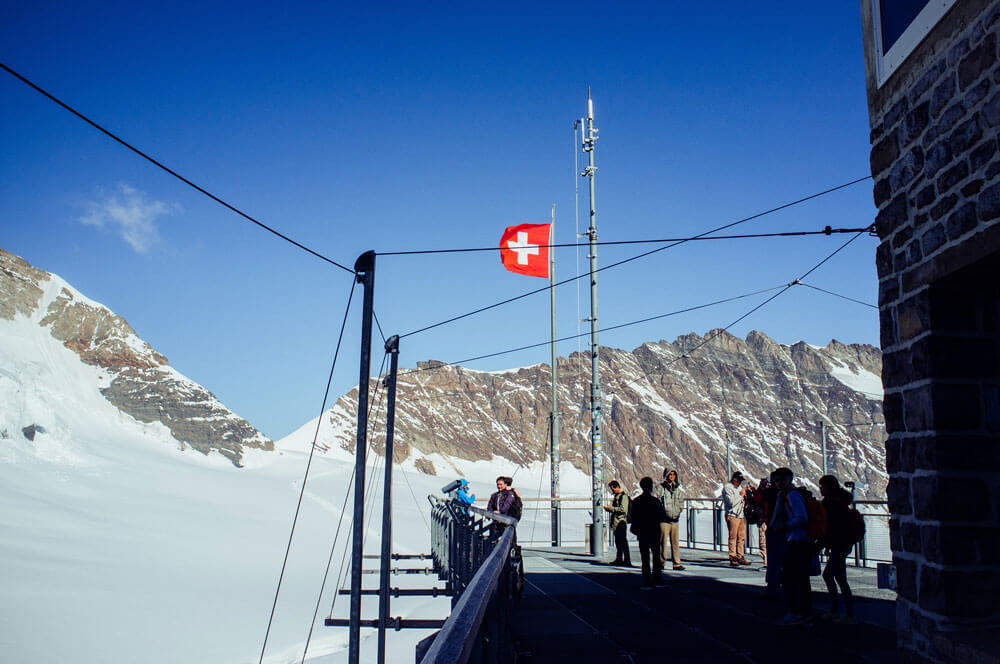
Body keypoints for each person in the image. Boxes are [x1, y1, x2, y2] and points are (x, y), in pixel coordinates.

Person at [769, 467, 813, 626]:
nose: (778, 484)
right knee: (798, 579)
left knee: (791, 579)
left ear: (789, 479)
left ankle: (797, 613)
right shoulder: (785, 495)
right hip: (793, 540)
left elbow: (802, 518)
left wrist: (785, 525)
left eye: (781, 480)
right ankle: (803, 614)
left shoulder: (792, 496)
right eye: (776, 481)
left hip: (798, 541)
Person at [819, 474, 856, 624]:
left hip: (839, 543)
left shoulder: (832, 503)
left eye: (822, 487)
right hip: (841, 544)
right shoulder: (839, 501)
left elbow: (833, 526)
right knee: (834, 576)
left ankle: (846, 613)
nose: (820, 489)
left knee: (836, 577)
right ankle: (840, 611)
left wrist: (825, 543)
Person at [627, 476, 667, 589]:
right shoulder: (656, 501)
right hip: (654, 532)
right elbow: (662, 517)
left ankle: (647, 581)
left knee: (645, 559)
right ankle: (658, 580)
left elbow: (631, 518)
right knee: (656, 557)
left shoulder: (636, 501)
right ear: (650, 487)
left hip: (642, 533)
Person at [657, 469, 685, 570]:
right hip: (664, 520)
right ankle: (661, 562)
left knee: (675, 543)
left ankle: (677, 563)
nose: (671, 476)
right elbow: (657, 501)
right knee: (662, 542)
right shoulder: (661, 488)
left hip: (675, 520)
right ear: (666, 475)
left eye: (673, 474)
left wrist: (678, 512)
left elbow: (681, 502)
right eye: (670, 474)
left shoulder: (677, 489)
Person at [722, 471, 750, 567]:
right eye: (739, 481)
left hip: (740, 515)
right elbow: (731, 502)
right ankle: (732, 556)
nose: (740, 483)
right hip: (732, 515)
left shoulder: (739, 488)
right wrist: (741, 495)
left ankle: (740, 555)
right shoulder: (727, 488)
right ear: (734, 479)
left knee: (741, 537)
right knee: (733, 536)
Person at [604, 480, 632, 566]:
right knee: (618, 542)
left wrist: (611, 508)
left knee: (623, 541)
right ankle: (619, 559)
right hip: (616, 522)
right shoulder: (618, 496)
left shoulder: (623, 497)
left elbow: (623, 509)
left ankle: (626, 560)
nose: (612, 491)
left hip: (621, 522)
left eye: (612, 489)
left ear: (616, 487)